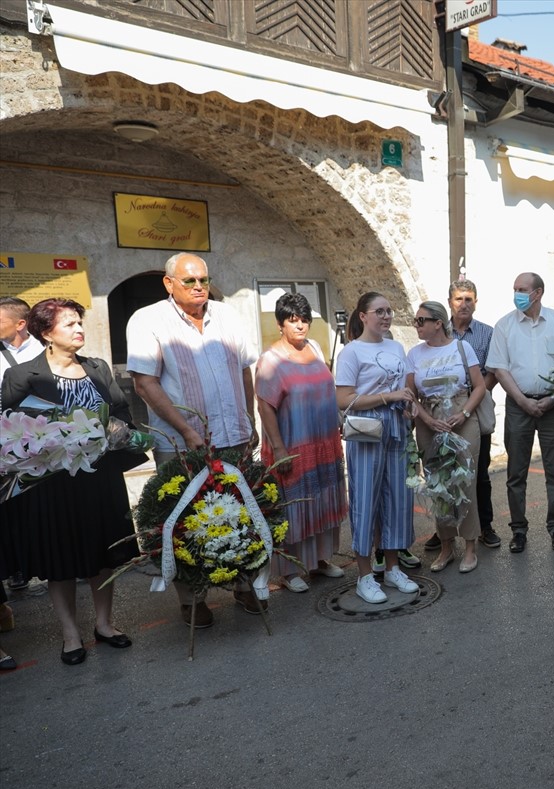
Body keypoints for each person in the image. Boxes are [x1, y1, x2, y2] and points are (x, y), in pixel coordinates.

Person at [0, 298, 140, 665]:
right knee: (59, 557)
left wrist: (114, 428)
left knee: (104, 552)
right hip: (53, 486)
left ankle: (105, 624)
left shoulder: (97, 368)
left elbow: (122, 411)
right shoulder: (21, 375)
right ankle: (69, 633)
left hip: (100, 479)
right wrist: (56, 437)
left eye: (80, 322)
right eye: (69, 324)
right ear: (46, 333)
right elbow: (14, 429)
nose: (79, 329)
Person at [126, 252, 260, 626]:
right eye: (190, 281)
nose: (199, 287)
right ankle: (192, 598)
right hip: (182, 444)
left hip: (233, 435)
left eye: (203, 279)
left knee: (241, 513)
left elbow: (244, 370)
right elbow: (144, 382)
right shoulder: (148, 320)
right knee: (186, 520)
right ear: (169, 283)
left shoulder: (228, 314)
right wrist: (186, 430)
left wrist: (249, 420)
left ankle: (244, 584)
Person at [255, 293, 348, 593]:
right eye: (293, 320)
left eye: (305, 319)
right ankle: (288, 570)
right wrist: (279, 448)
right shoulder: (271, 360)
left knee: (321, 500)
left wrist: (338, 419)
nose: (300, 325)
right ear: (280, 323)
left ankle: (319, 561)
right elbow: (265, 406)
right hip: (293, 446)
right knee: (293, 506)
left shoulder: (316, 348)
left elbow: (327, 387)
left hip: (323, 442)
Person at [334, 292, 421, 603]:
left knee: (397, 497)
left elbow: (402, 388)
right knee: (366, 499)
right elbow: (343, 399)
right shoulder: (351, 352)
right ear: (363, 316)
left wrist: (407, 404)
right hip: (367, 429)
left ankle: (393, 568)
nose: (386, 317)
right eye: (379, 311)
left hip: (397, 425)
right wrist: (390, 397)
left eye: (389, 311)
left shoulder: (396, 346)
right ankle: (364, 575)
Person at [487, 272, 554, 553]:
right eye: (515, 289)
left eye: (522, 289)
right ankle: (518, 530)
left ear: (538, 293)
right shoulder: (504, 326)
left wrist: (553, 398)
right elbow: (500, 368)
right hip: (518, 406)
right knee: (516, 472)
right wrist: (522, 400)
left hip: (553, 406)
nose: (517, 294)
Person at [406, 300, 487, 573]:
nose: (416, 325)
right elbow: (410, 397)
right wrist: (427, 420)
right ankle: (446, 546)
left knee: (465, 483)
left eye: (421, 320)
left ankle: (471, 546)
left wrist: (463, 414)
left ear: (437, 323)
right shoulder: (414, 354)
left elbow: (479, 387)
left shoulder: (462, 348)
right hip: (429, 422)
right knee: (438, 486)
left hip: (462, 420)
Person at [424, 279, 500, 552]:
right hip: (441, 413)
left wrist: (473, 399)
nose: (464, 304)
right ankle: (445, 531)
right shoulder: (437, 333)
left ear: (476, 302)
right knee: (444, 473)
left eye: (469, 299)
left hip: (474, 409)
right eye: (459, 299)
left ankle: (485, 526)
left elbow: (492, 371)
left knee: (477, 474)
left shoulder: (486, 333)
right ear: (449, 303)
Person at [0, 296, 43, 592]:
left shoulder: (45, 347)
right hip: (8, 441)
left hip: (46, 438)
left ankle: (56, 558)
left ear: (20, 324)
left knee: (47, 502)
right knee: (11, 504)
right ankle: (18, 567)